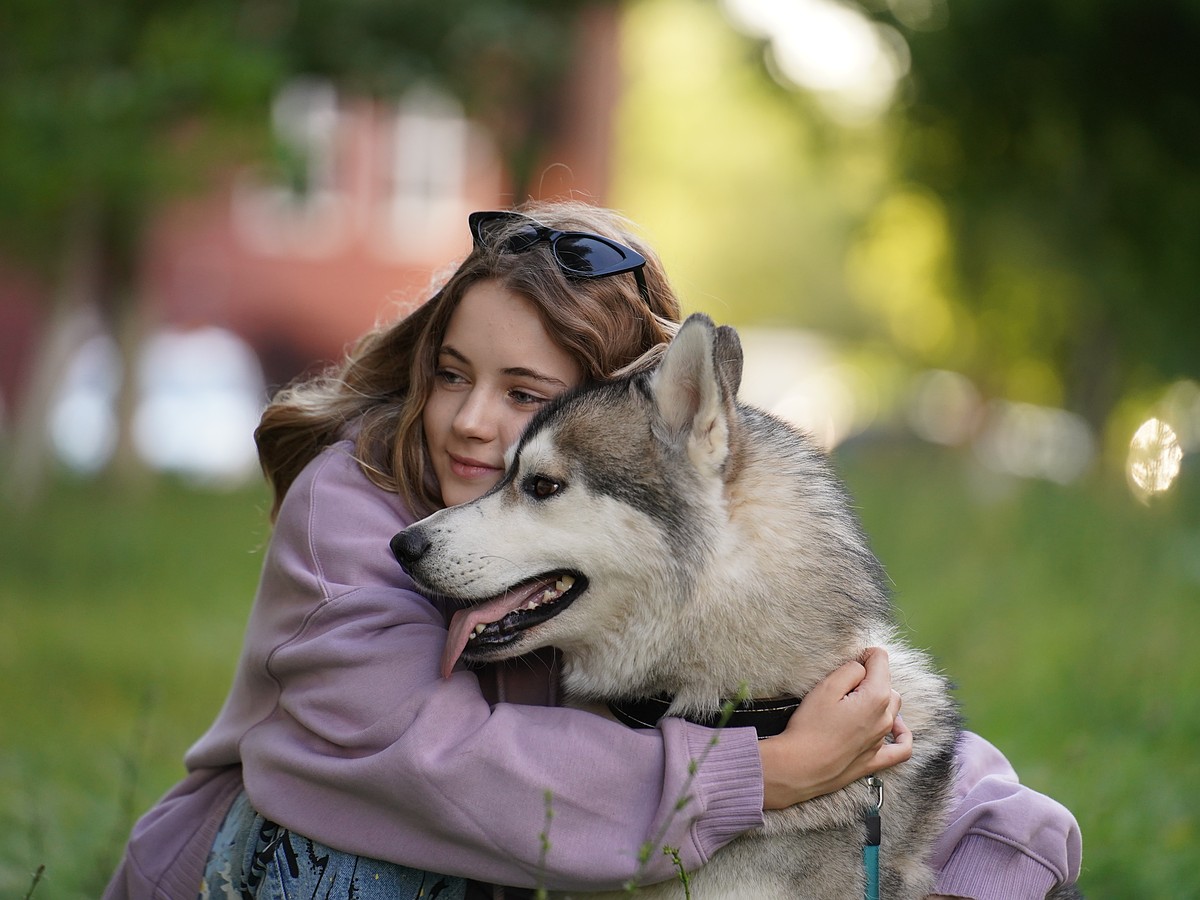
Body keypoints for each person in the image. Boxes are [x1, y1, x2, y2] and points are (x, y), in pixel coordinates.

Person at [103, 200, 1081, 900]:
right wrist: (765, 776)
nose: (472, 422)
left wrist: (1008, 859)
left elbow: (887, 725)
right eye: (451, 373)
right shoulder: (355, 507)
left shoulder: (622, 579)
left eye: (526, 396)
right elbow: (433, 768)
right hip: (293, 867)